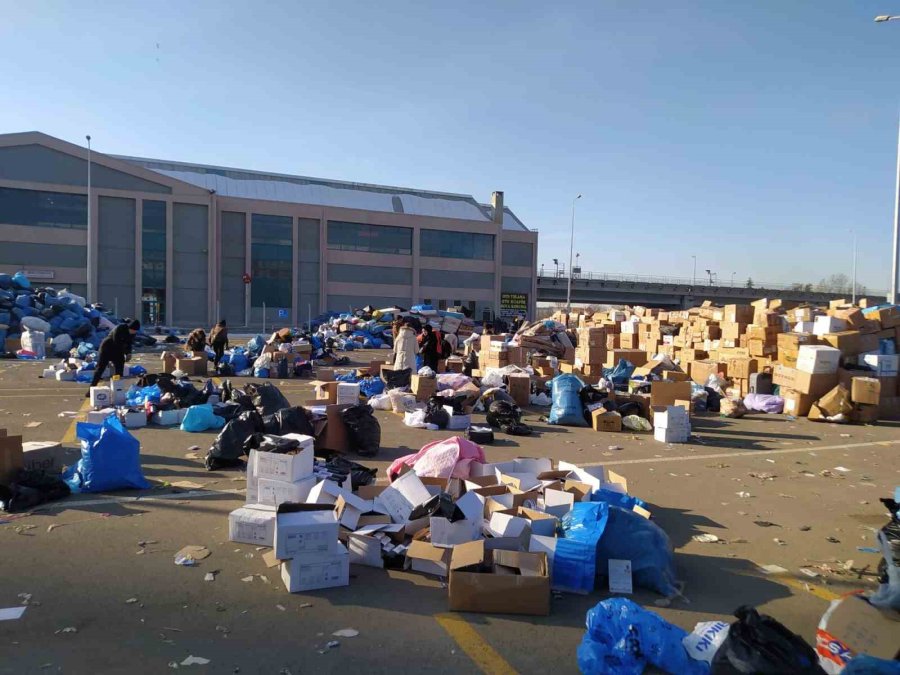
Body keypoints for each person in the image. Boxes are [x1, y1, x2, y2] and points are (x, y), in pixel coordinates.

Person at [88, 320, 140, 392]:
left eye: (135, 331)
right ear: (129, 328)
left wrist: (128, 353)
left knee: (119, 368)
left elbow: (129, 344)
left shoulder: (132, 334)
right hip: (107, 348)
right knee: (100, 368)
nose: (134, 332)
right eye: (133, 330)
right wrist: (123, 352)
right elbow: (117, 341)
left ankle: (117, 388)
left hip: (118, 350)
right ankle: (91, 388)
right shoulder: (120, 328)